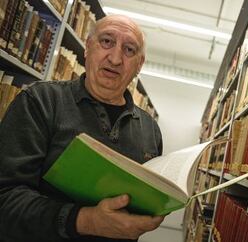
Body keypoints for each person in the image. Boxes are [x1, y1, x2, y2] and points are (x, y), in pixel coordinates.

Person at [0, 15, 165, 241]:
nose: (116, 59)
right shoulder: (40, 101)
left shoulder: (150, 131)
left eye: (129, 50)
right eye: (106, 41)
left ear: (139, 64)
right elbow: (5, 198)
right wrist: (85, 220)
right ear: (87, 48)